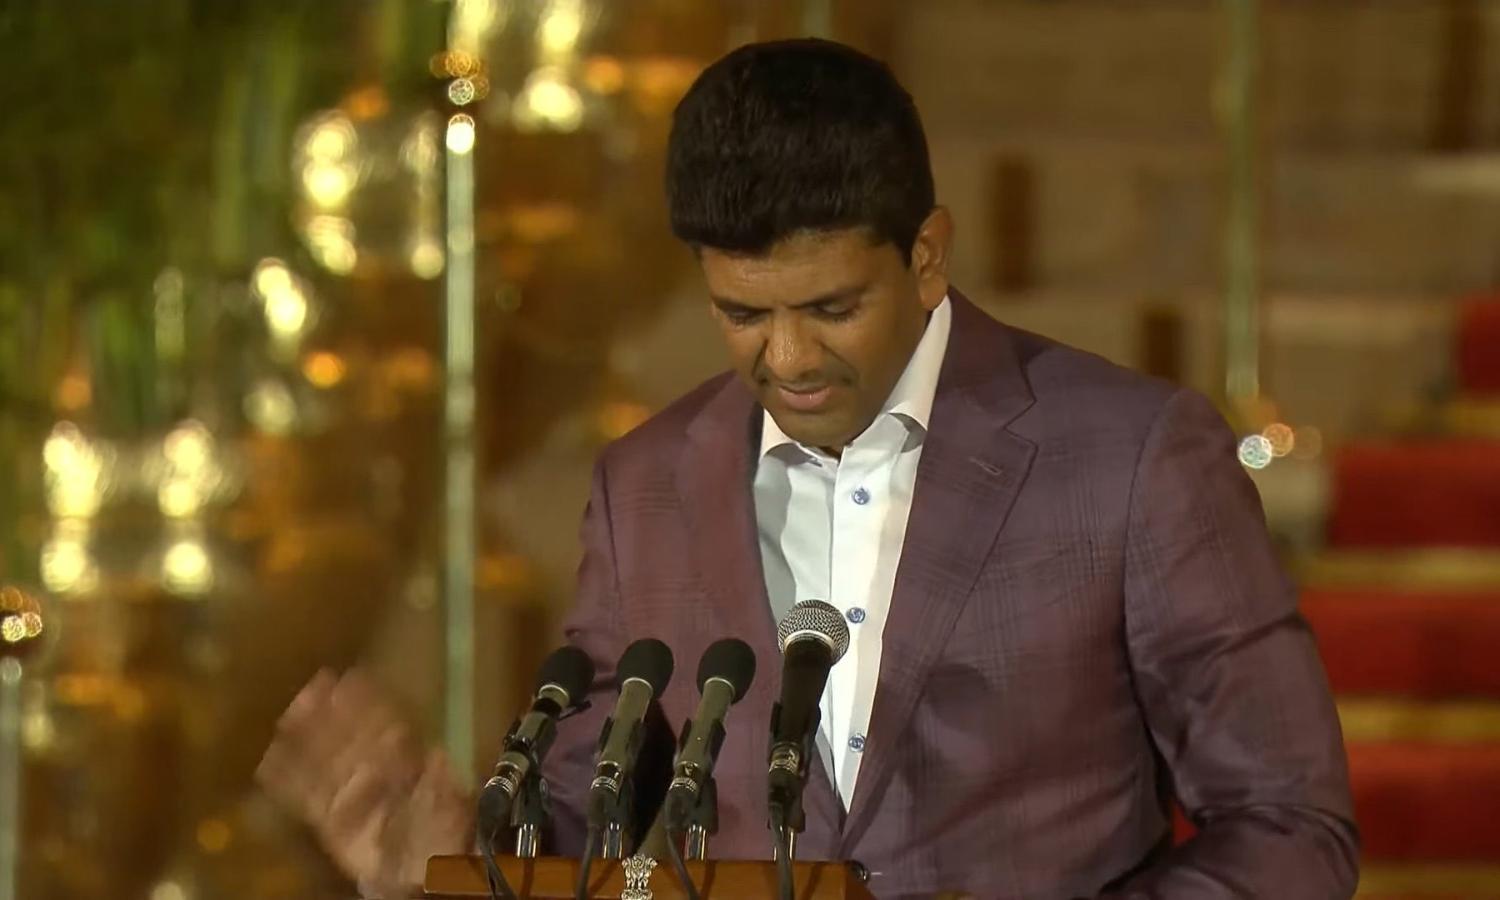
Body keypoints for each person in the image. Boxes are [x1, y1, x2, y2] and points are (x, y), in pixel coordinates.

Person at [258, 38, 1358, 899]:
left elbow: (1290, 828)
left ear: (927, 255)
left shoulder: (1134, 457)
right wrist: (446, 852)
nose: (786, 360)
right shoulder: (648, 488)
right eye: (743, 315)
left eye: (832, 308)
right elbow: (589, 826)